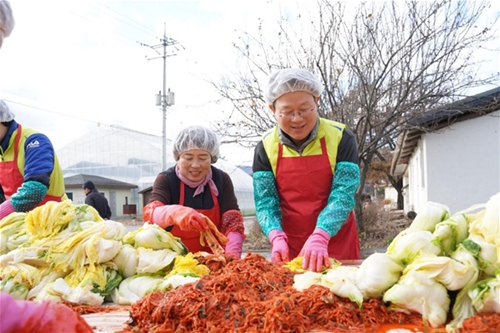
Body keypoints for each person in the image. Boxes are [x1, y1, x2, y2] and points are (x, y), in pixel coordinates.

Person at [252, 68, 361, 272]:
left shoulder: (341, 137)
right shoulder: (265, 147)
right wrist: (275, 235)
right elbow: (266, 202)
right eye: (287, 112)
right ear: (272, 110)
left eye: (304, 109)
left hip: (335, 241)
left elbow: (343, 194)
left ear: (317, 102)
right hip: (290, 246)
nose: (297, 119)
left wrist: (321, 235)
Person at [143, 125, 245, 258]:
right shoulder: (167, 179)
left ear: (212, 158)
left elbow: (232, 220)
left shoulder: (221, 179)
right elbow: (151, 214)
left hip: (214, 259)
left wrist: (232, 252)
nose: (196, 165)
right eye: (188, 157)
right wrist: (176, 213)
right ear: (178, 157)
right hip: (174, 261)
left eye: (203, 158)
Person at [0, 101, 67, 220]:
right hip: (20, 223)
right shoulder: (1, 152)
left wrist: (2, 212)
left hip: (53, 219)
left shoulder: (34, 141)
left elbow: (35, 189)